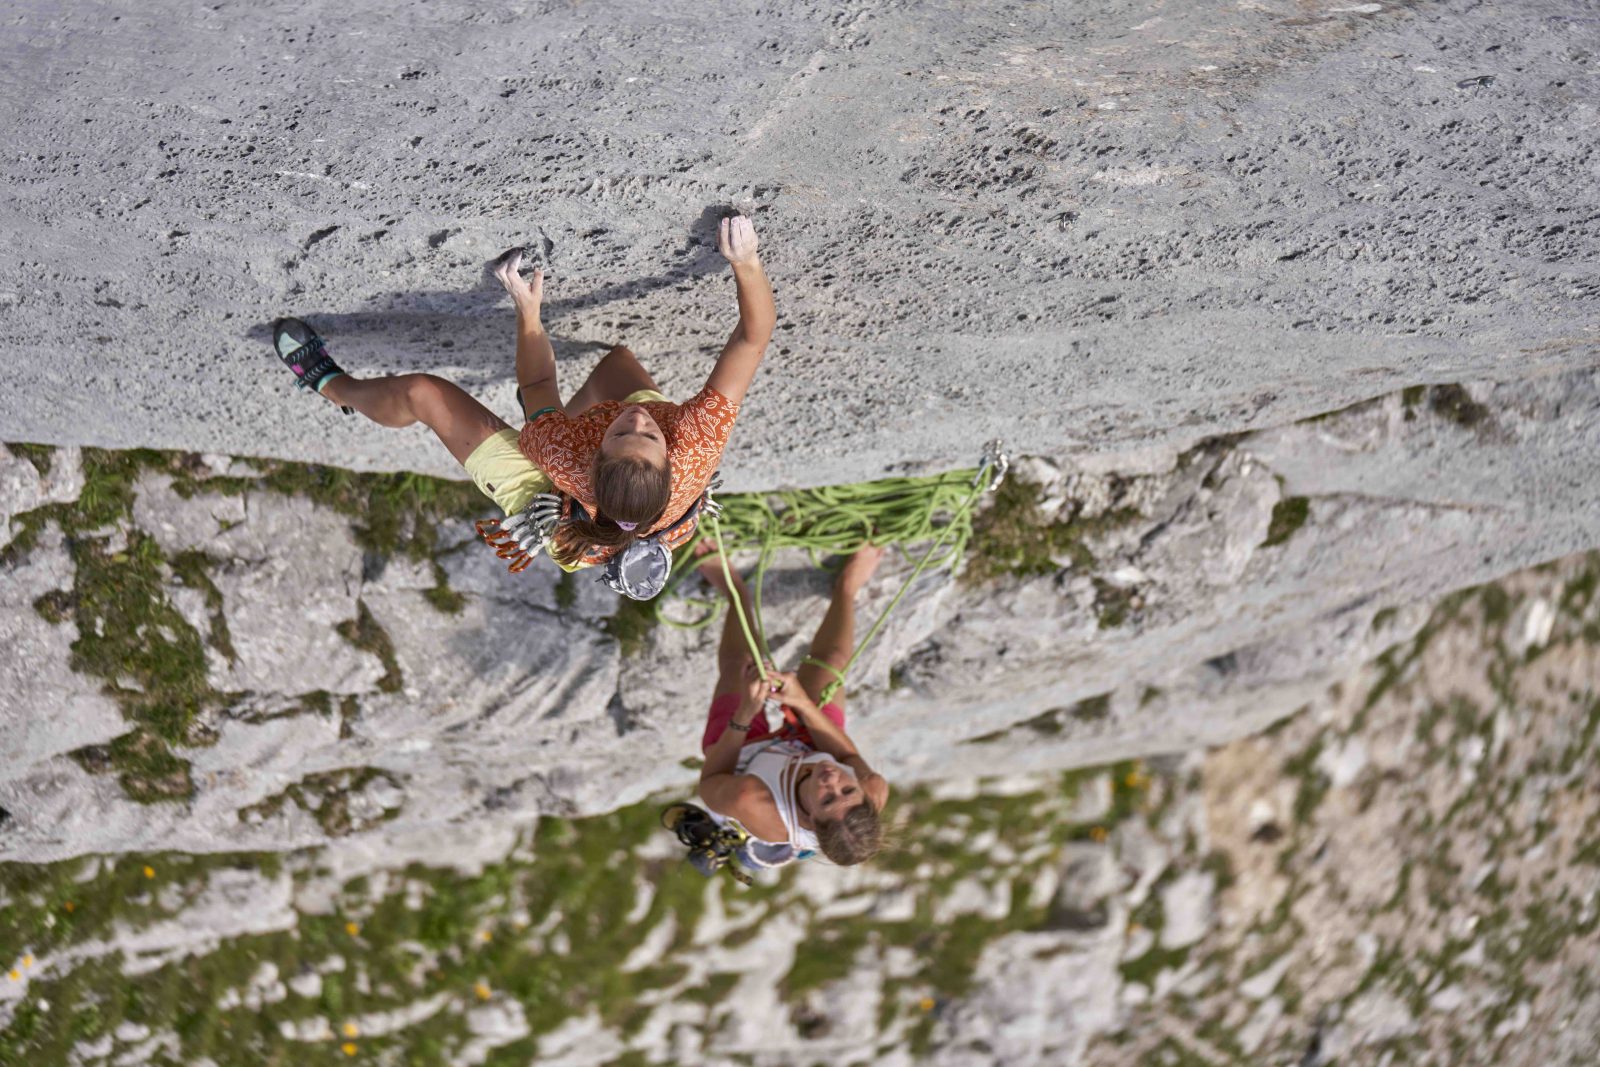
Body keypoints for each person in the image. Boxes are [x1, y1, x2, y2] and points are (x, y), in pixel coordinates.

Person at [270, 214, 774, 571]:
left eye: (625, 430)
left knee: (424, 393)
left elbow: (536, 384)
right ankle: (540, 420)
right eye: (647, 433)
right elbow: (753, 338)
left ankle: (334, 387)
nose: (640, 421)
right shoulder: (696, 441)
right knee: (618, 365)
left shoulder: (564, 456)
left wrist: (527, 312)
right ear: (670, 459)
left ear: (595, 450)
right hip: (633, 493)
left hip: (562, 523)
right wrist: (746, 261)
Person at [696, 545, 891, 867]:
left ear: (811, 820)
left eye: (827, 798)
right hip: (804, 745)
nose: (833, 780)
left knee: (740, 666)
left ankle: (736, 593)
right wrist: (800, 702)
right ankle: (847, 587)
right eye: (847, 790)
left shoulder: (754, 802)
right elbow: (846, 757)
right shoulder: (872, 787)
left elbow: (711, 778)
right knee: (830, 665)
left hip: (741, 757)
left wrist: (746, 711)